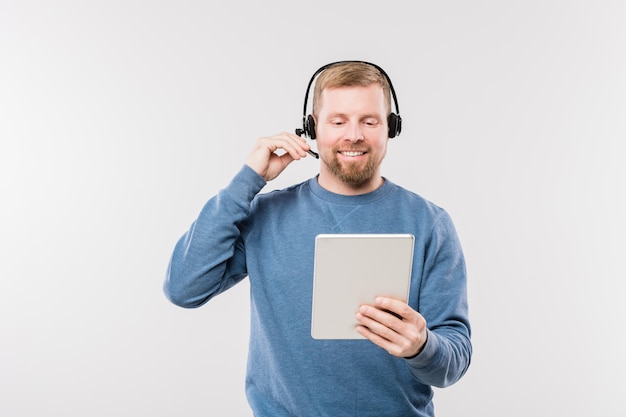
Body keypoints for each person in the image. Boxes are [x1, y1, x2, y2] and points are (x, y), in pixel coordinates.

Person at [164, 61, 472, 416]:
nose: (353, 135)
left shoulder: (430, 223)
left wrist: (422, 346)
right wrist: (247, 181)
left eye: (369, 121)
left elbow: (454, 361)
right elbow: (184, 289)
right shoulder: (266, 215)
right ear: (311, 129)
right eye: (337, 121)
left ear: (391, 127)